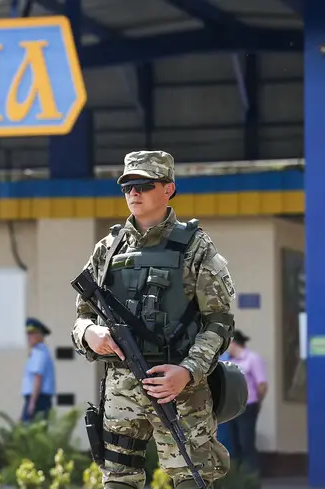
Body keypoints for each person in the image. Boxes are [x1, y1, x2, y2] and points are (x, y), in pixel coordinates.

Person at [71, 150, 236, 489]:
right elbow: (82, 316)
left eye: (144, 185)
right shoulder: (108, 248)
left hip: (180, 389)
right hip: (122, 387)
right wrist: (89, 333)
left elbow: (219, 323)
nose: (134, 193)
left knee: (192, 479)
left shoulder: (195, 247)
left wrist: (187, 371)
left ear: (168, 189)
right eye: (127, 186)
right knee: (118, 480)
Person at [225, 329, 267, 476]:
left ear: (233, 342)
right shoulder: (228, 361)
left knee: (246, 442)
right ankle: (237, 477)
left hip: (248, 406)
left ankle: (251, 476)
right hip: (230, 408)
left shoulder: (252, 358)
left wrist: (257, 402)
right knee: (232, 443)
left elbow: (261, 384)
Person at [21, 317, 56, 422]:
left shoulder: (38, 352)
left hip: (37, 399)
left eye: (32, 333)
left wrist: (32, 403)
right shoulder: (41, 351)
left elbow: (38, 377)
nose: (29, 337)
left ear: (40, 335)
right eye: (28, 334)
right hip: (39, 398)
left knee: (32, 429)